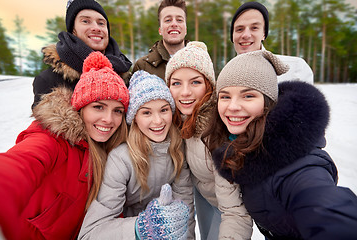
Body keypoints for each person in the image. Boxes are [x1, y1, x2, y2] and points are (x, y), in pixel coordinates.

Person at [202, 50, 357, 239]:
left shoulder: (297, 166)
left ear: (269, 102)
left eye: (248, 96)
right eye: (225, 96)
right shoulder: (242, 145)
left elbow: (327, 211)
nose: (233, 106)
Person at [0, 51, 130, 240]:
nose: (108, 119)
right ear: (81, 107)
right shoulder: (53, 138)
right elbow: (21, 163)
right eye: (98, 107)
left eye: (117, 111)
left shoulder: (112, 151)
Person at [78, 70, 195, 239]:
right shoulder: (121, 159)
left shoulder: (177, 151)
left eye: (164, 110)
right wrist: (141, 228)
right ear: (135, 118)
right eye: (146, 112)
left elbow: (185, 212)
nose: (158, 121)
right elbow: (91, 233)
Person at [166, 41, 252, 239]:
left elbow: (235, 212)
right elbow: (183, 189)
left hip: (225, 208)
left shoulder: (217, 131)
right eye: (176, 83)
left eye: (195, 82)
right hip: (204, 196)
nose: (185, 92)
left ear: (209, 86)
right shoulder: (176, 121)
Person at [32, 0, 132, 108]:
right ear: (72, 30)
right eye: (85, 21)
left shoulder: (126, 77)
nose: (96, 28)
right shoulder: (49, 80)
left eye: (101, 23)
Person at [230, 1, 314, 84]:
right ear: (233, 36)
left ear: (264, 34)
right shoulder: (225, 77)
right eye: (239, 29)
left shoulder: (295, 69)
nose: (246, 35)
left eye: (254, 28)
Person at [132, 0, 188, 81]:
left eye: (179, 20)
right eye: (168, 20)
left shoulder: (201, 60)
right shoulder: (142, 66)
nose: (174, 24)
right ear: (160, 30)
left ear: (185, 30)